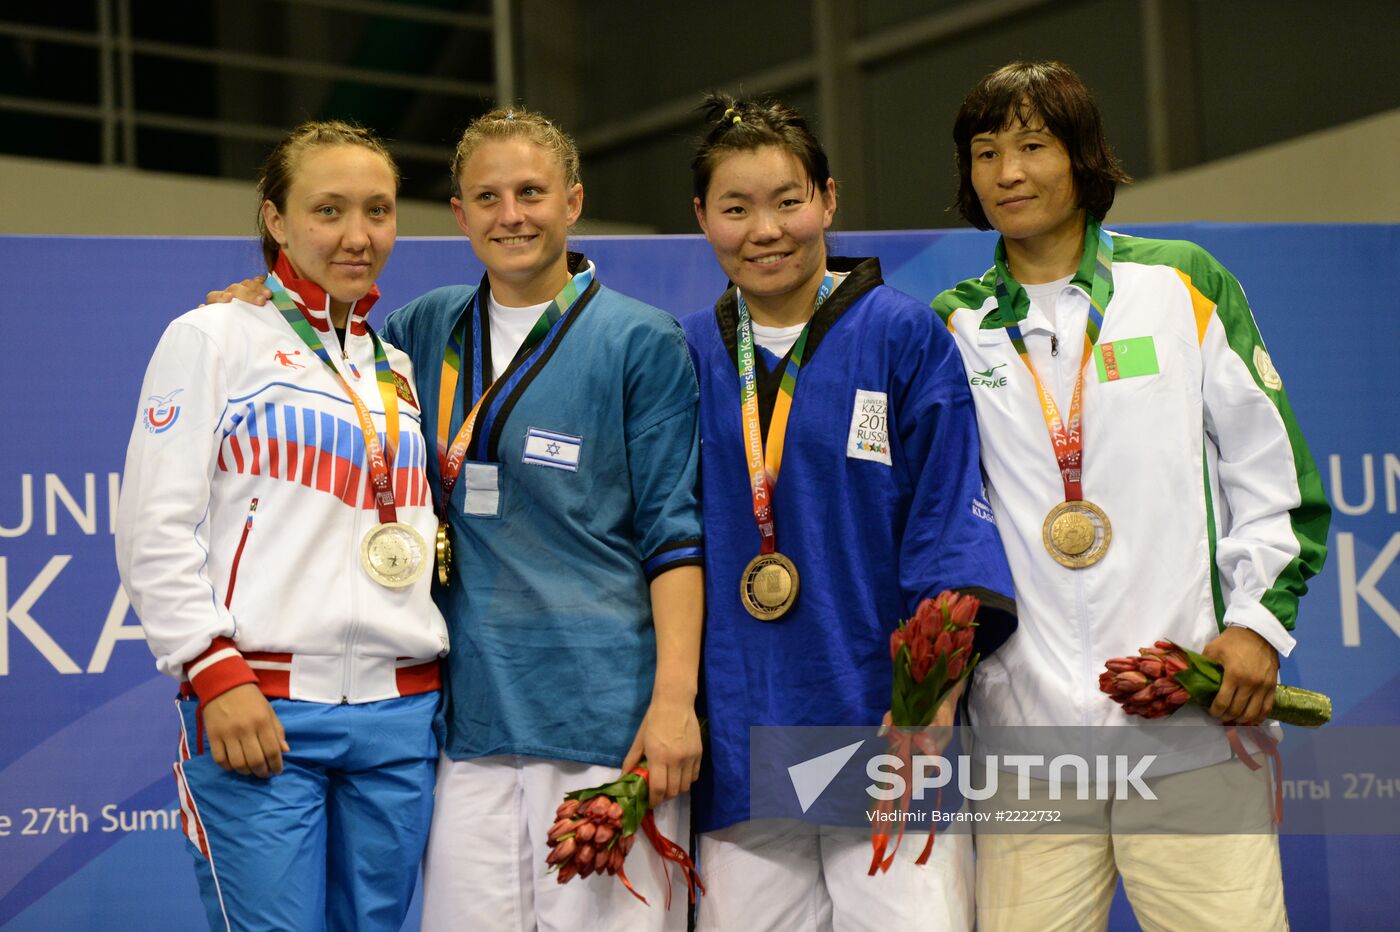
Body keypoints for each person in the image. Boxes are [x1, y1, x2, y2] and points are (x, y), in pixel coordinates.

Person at [208, 107, 704, 930]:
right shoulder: (419, 331)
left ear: (573, 202)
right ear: (460, 213)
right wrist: (261, 305)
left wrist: (674, 703)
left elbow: (674, 538)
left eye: (532, 193)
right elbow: (326, 339)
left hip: (603, 716)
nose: (512, 215)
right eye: (488, 196)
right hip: (462, 721)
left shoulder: (639, 342)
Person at [931, 61, 1331, 931]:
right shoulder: (948, 326)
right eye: (986, 151)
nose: (1007, 173)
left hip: (1186, 726)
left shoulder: (1182, 284)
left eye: (1033, 146)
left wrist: (1258, 626)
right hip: (1025, 747)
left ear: (1082, 157)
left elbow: (1277, 484)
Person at [683, 93, 1017, 932]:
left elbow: (948, 522)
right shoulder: (682, 354)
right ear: (702, 219)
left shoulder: (902, 337)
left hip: (882, 725)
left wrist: (928, 701)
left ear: (827, 199)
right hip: (742, 735)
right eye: (736, 207)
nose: (765, 229)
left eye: (787, 201)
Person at [116, 120, 449, 931]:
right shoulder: (211, 338)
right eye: (328, 210)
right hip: (261, 706)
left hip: (400, 716)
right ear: (276, 219)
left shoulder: (393, 365)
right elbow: (154, 527)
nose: (357, 235)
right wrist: (213, 672)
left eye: (378, 210)